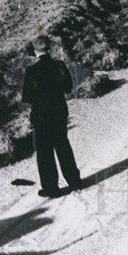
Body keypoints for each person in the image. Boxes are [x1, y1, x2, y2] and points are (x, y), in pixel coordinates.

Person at [21, 36, 82, 197]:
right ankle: (74, 181)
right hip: (60, 112)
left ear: (35, 51)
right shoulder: (59, 66)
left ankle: (51, 188)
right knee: (63, 146)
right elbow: (69, 86)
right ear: (50, 48)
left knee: (44, 152)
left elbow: (27, 97)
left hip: (41, 115)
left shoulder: (32, 71)